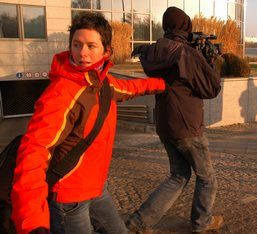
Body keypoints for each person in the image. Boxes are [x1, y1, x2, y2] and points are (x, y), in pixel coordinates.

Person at [11, 12, 166, 234]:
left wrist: (163, 84)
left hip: (96, 188)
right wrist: (32, 221)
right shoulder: (62, 93)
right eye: (77, 45)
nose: (82, 53)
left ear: (106, 51)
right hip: (69, 199)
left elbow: (130, 88)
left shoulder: (102, 83)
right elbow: (34, 150)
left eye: (91, 46)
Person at [126, 7, 223, 233]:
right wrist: (210, 62)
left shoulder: (154, 50)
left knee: (179, 175)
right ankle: (202, 222)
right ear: (185, 26)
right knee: (207, 177)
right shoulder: (185, 53)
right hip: (188, 126)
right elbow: (211, 88)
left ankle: (138, 223)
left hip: (165, 123)